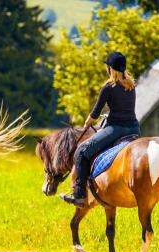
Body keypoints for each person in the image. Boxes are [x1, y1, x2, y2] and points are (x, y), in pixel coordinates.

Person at [60, 51, 140, 207]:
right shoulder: (131, 85)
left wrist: (87, 123)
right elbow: (124, 108)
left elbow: (95, 113)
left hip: (116, 129)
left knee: (82, 151)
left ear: (110, 69)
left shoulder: (108, 87)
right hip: (134, 129)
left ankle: (79, 195)